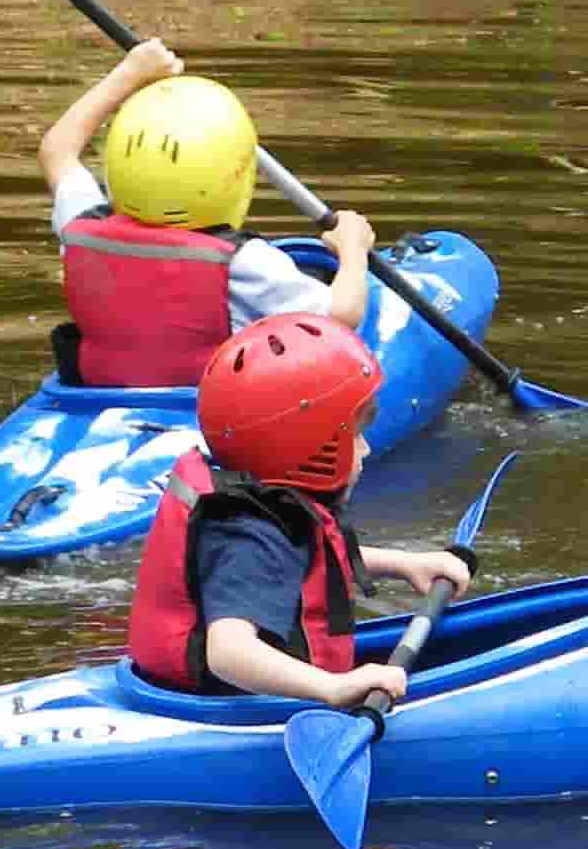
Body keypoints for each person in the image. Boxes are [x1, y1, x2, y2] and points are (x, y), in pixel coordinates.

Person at [127, 311, 472, 708]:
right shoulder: (249, 534)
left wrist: (405, 564)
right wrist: (334, 688)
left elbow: (307, 558)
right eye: (356, 435)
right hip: (228, 713)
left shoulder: (270, 511)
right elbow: (228, 653)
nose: (367, 449)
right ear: (306, 445)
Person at [37, 36, 375, 387]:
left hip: (92, 393)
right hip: (205, 405)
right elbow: (340, 315)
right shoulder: (244, 264)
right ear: (234, 177)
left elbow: (57, 150)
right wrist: (353, 249)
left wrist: (130, 73)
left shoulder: (81, 230)